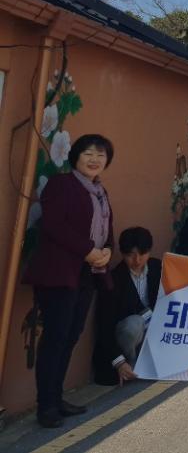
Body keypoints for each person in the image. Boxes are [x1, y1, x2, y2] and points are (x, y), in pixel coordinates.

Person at [24, 134, 115, 427]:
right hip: (59, 273)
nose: (94, 159)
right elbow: (53, 225)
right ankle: (46, 406)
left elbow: (106, 228)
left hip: (87, 275)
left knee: (71, 336)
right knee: (55, 338)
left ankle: (56, 397)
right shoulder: (61, 184)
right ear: (75, 156)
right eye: (88, 153)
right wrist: (88, 251)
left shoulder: (100, 192)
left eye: (100, 155)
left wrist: (107, 251)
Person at [95, 227, 161, 387]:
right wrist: (119, 362)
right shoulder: (114, 279)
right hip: (127, 339)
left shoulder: (158, 268)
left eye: (142, 254)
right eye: (131, 255)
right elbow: (104, 325)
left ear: (149, 251)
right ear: (123, 253)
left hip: (154, 332)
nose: (137, 260)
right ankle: (131, 365)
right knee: (134, 323)